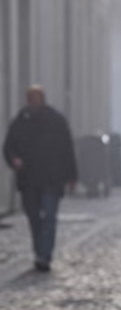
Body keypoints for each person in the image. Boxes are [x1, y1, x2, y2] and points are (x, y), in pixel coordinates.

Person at [3, 86, 78, 272]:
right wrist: (14, 160)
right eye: (30, 98)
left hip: (52, 178)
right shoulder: (20, 121)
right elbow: (8, 146)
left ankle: (45, 254)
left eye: (35, 98)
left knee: (50, 217)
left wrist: (71, 175)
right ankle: (39, 250)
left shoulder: (56, 121)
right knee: (34, 218)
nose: (33, 102)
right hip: (28, 179)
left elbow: (67, 149)